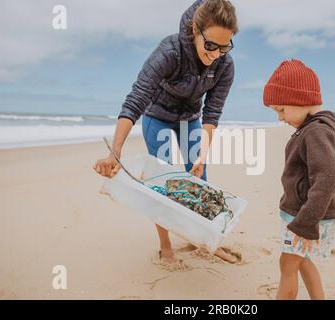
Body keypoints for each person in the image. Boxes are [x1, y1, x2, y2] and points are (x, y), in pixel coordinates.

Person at [93, 0, 239, 264]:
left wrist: (201, 156)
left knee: (200, 178)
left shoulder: (225, 66)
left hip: (190, 119)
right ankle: (165, 244)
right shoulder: (170, 51)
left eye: (224, 47)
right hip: (156, 116)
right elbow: (136, 99)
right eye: (210, 45)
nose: (216, 54)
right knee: (162, 181)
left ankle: (207, 240)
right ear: (195, 29)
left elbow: (212, 113)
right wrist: (116, 151)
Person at [263, 59, 335, 299]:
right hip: (305, 214)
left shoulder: (316, 131)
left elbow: (328, 177)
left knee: (287, 265)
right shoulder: (315, 128)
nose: (280, 118)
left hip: (307, 216)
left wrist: (306, 222)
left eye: (281, 109)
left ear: (301, 99)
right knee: (301, 262)